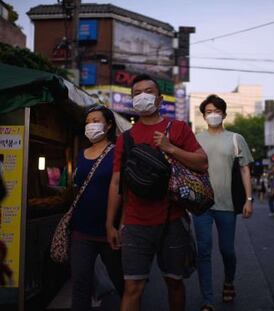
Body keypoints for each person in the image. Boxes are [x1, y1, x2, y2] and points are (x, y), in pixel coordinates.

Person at [106, 74, 208, 311]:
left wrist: (170, 147)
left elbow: (202, 162)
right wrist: (110, 223)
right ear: (132, 101)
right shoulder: (126, 138)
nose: (143, 96)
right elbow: (116, 183)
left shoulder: (179, 128)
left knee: (174, 283)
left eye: (148, 91)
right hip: (135, 223)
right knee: (132, 288)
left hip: (173, 221)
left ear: (160, 99)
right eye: (137, 93)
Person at [195, 94, 254, 311]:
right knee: (203, 251)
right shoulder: (196, 139)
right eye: (209, 111)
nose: (213, 115)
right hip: (201, 205)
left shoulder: (235, 139)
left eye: (217, 111)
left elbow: (245, 169)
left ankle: (229, 281)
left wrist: (249, 199)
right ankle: (207, 300)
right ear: (203, 115)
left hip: (227, 205)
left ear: (224, 114)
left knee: (227, 250)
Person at [71, 105, 124, 310]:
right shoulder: (81, 153)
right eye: (87, 122)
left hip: (109, 231)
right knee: (80, 284)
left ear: (108, 125)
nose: (90, 125)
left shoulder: (117, 152)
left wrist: (120, 225)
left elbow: (123, 190)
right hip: (81, 231)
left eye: (96, 121)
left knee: (121, 281)